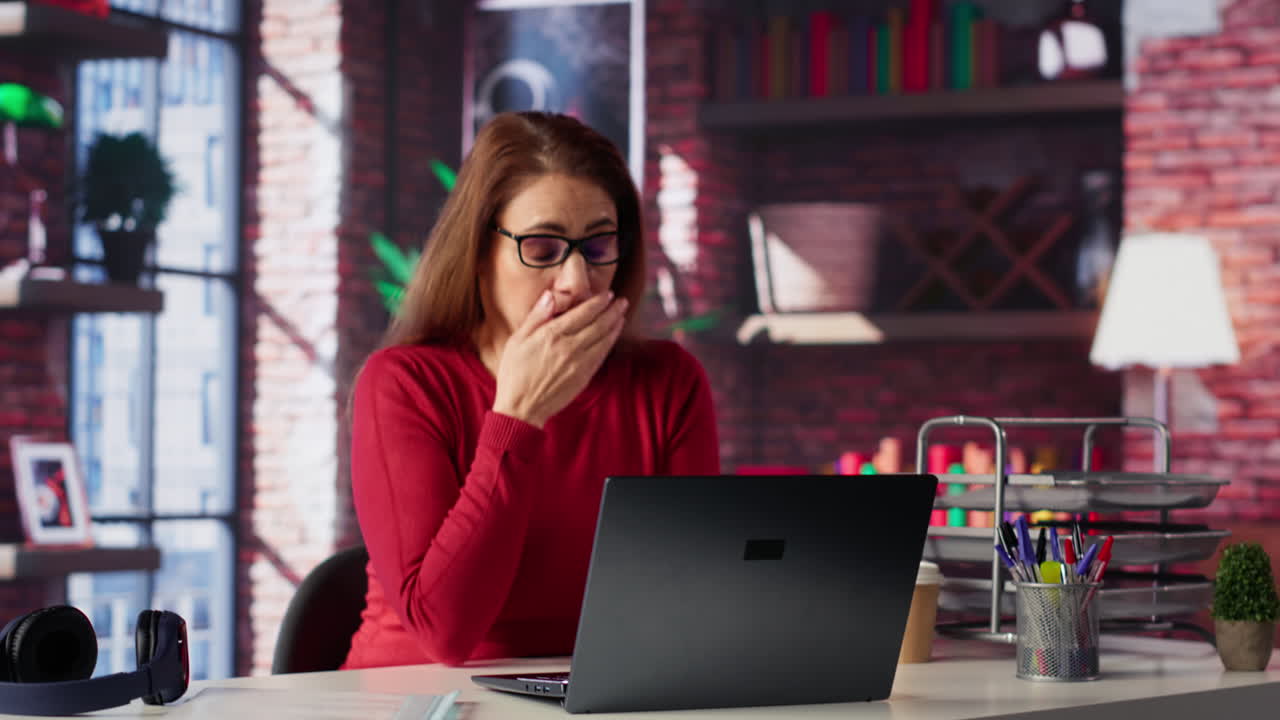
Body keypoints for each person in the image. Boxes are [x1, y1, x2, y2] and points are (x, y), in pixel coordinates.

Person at [341, 112, 720, 669]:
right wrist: (517, 418)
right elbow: (445, 633)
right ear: (477, 254)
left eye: (597, 247)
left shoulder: (669, 383)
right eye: (542, 249)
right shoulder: (404, 383)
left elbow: (694, 600)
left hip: (595, 697)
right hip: (422, 697)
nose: (576, 280)